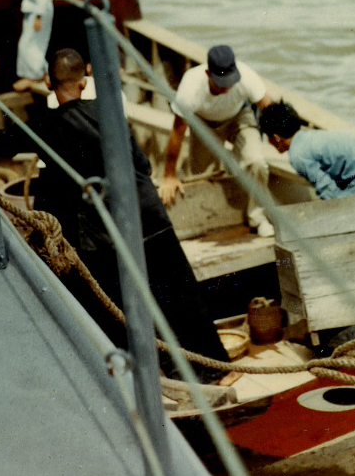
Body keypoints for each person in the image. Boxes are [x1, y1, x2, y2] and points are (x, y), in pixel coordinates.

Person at [34, 48, 227, 381]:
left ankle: (143, 374)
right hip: (148, 216)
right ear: (85, 81)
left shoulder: (45, 126)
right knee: (179, 294)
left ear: (49, 82)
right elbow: (143, 164)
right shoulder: (111, 114)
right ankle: (212, 367)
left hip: (106, 234)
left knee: (113, 304)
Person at [160, 44, 274, 237]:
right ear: (208, 73)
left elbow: (268, 107)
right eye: (221, 83)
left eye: (231, 81)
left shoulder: (246, 76)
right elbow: (177, 133)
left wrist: (278, 137)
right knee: (201, 173)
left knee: (257, 162)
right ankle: (206, 217)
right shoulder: (191, 87)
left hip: (239, 117)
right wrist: (169, 175)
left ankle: (257, 217)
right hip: (205, 122)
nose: (227, 87)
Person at [259, 101, 355, 198]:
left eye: (268, 138)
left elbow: (326, 189)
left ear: (277, 138)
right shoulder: (310, 136)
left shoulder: (297, 154)